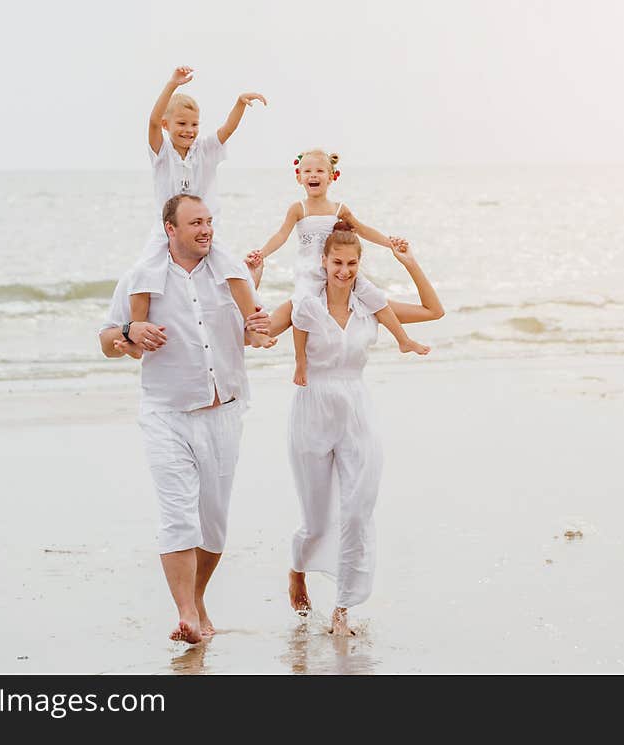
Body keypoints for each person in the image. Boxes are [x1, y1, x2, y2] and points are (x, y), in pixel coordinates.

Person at [99, 194, 274, 644]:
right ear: (170, 229)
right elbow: (106, 338)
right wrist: (128, 332)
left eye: (210, 221)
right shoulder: (141, 277)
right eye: (196, 222)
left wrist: (258, 332)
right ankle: (185, 615)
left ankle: (196, 599)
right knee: (178, 517)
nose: (206, 230)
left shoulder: (230, 275)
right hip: (166, 414)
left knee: (213, 524)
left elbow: (254, 334)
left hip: (224, 412)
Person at [271, 221, 444, 636]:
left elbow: (433, 310)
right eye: (336, 263)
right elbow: (252, 331)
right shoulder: (302, 303)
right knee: (315, 519)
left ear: (359, 264)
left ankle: (343, 607)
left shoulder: (372, 306)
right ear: (323, 262)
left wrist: (409, 262)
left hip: (356, 412)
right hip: (312, 410)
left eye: (351, 263)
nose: (343, 271)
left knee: (357, 510)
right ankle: (298, 569)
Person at [244, 149, 429, 385]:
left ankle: (403, 340)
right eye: (308, 171)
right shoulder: (298, 208)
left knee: (375, 297)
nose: (314, 175)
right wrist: (262, 253)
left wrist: (389, 243)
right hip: (311, 271)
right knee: (301, 307)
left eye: (320, 171)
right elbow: (281, 235)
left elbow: (362, 229)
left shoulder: (339, 208)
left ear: (332, 177)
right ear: (299, 177)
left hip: (339, 269)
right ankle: (301, 361)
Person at [126, 66, 275, 353]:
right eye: (181, 124)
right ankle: (136, 339)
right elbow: (153, 122)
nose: (189, 131)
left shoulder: (205, 149)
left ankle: (253, 328)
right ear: (169, 125)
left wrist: (239, 104)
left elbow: (227, 130)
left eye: (194, 125)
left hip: (204, 230)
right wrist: (171, 84)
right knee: (144, 272)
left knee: (235, 272)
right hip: (167, 231)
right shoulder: (162, 154)